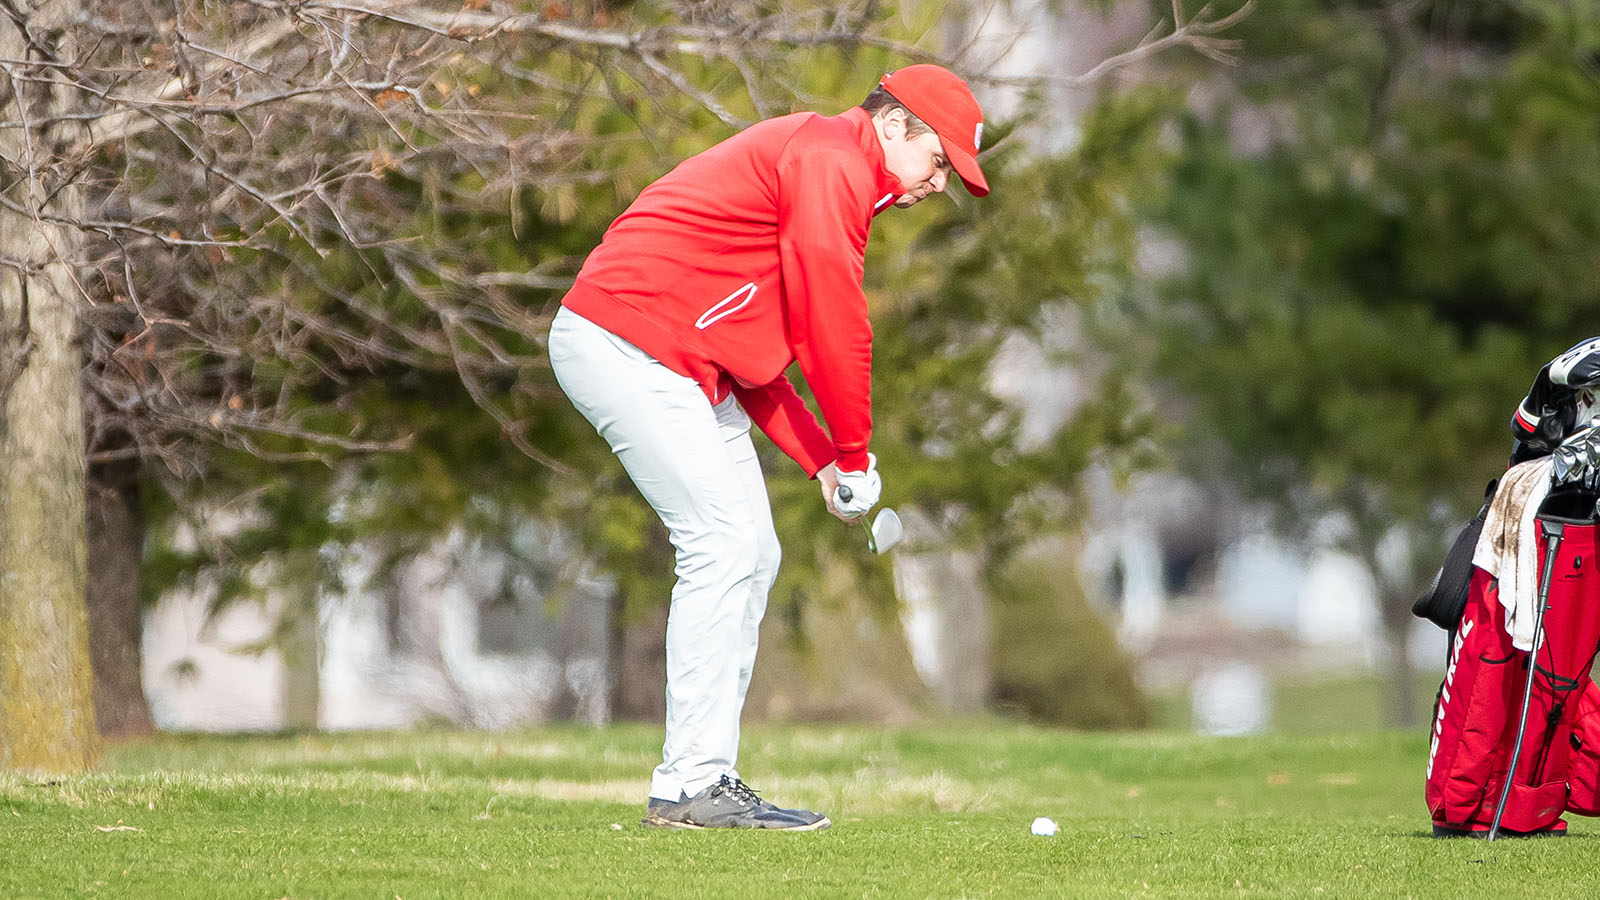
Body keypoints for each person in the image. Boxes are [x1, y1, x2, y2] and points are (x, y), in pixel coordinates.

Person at [547, 65, 988, 830]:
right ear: (892, 125)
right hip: (623, 342)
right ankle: (689, 786)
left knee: (753, 549)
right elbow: (836, 323)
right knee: (719, 543)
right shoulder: (831, 161)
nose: (939, 184)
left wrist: (822, 461)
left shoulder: (831, 172)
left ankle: (706, 776)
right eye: (939, 159)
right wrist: (853, 452)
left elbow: (753, 363)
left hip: (676, 361)